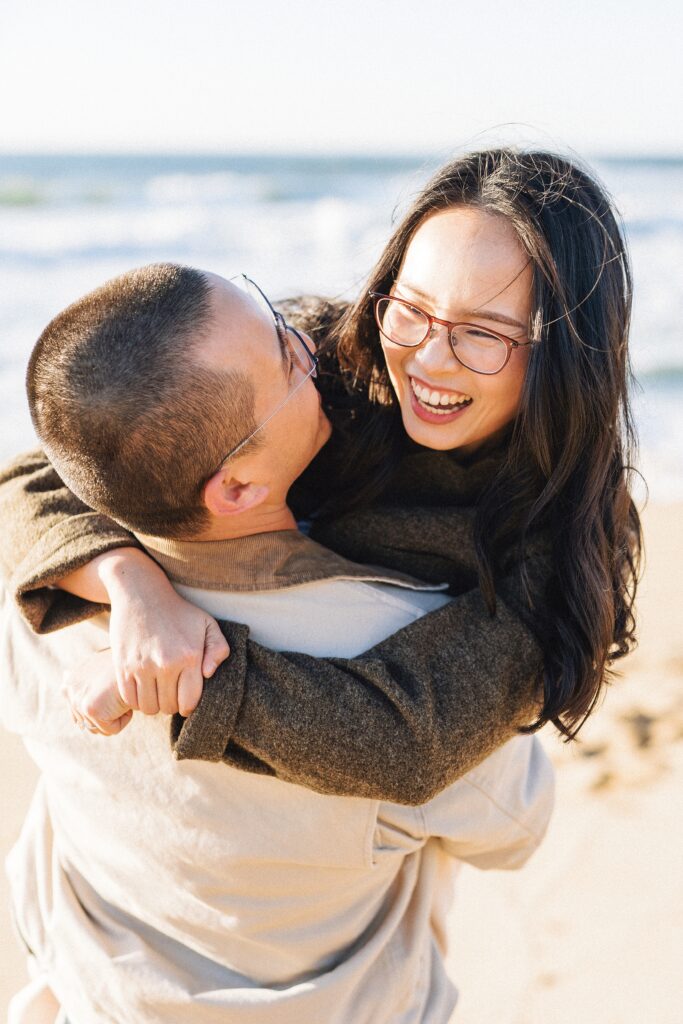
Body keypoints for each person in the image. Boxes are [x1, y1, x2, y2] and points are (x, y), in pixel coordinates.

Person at [1, 265, 554, 1024]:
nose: (308, 344)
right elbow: (514, 831)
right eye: (286, 359)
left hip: (95, 996)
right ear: (234, 488)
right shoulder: (390, 643)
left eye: (271, 315)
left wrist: (127, 576)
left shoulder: (35, 596)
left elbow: (33, 476)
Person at [0, 148, 641, 801]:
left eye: (481, 334)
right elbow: (65, 461)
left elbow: (406, 739)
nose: (427, 360)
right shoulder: (322, 364)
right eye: (411, 306)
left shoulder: (560, 527)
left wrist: (186, 678)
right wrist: (132, 589)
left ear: (561, 353)